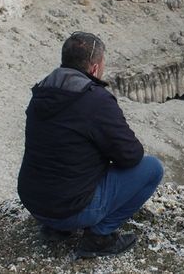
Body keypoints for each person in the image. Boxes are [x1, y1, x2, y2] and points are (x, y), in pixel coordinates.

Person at [18, 31, 164, 258]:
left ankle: (57, 230)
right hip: (69, 209)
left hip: (35, 203)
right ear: (95, 68)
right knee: (152, 168)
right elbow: (131, 155)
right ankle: (98, 238)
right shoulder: (95, 101)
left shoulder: (42, 91)